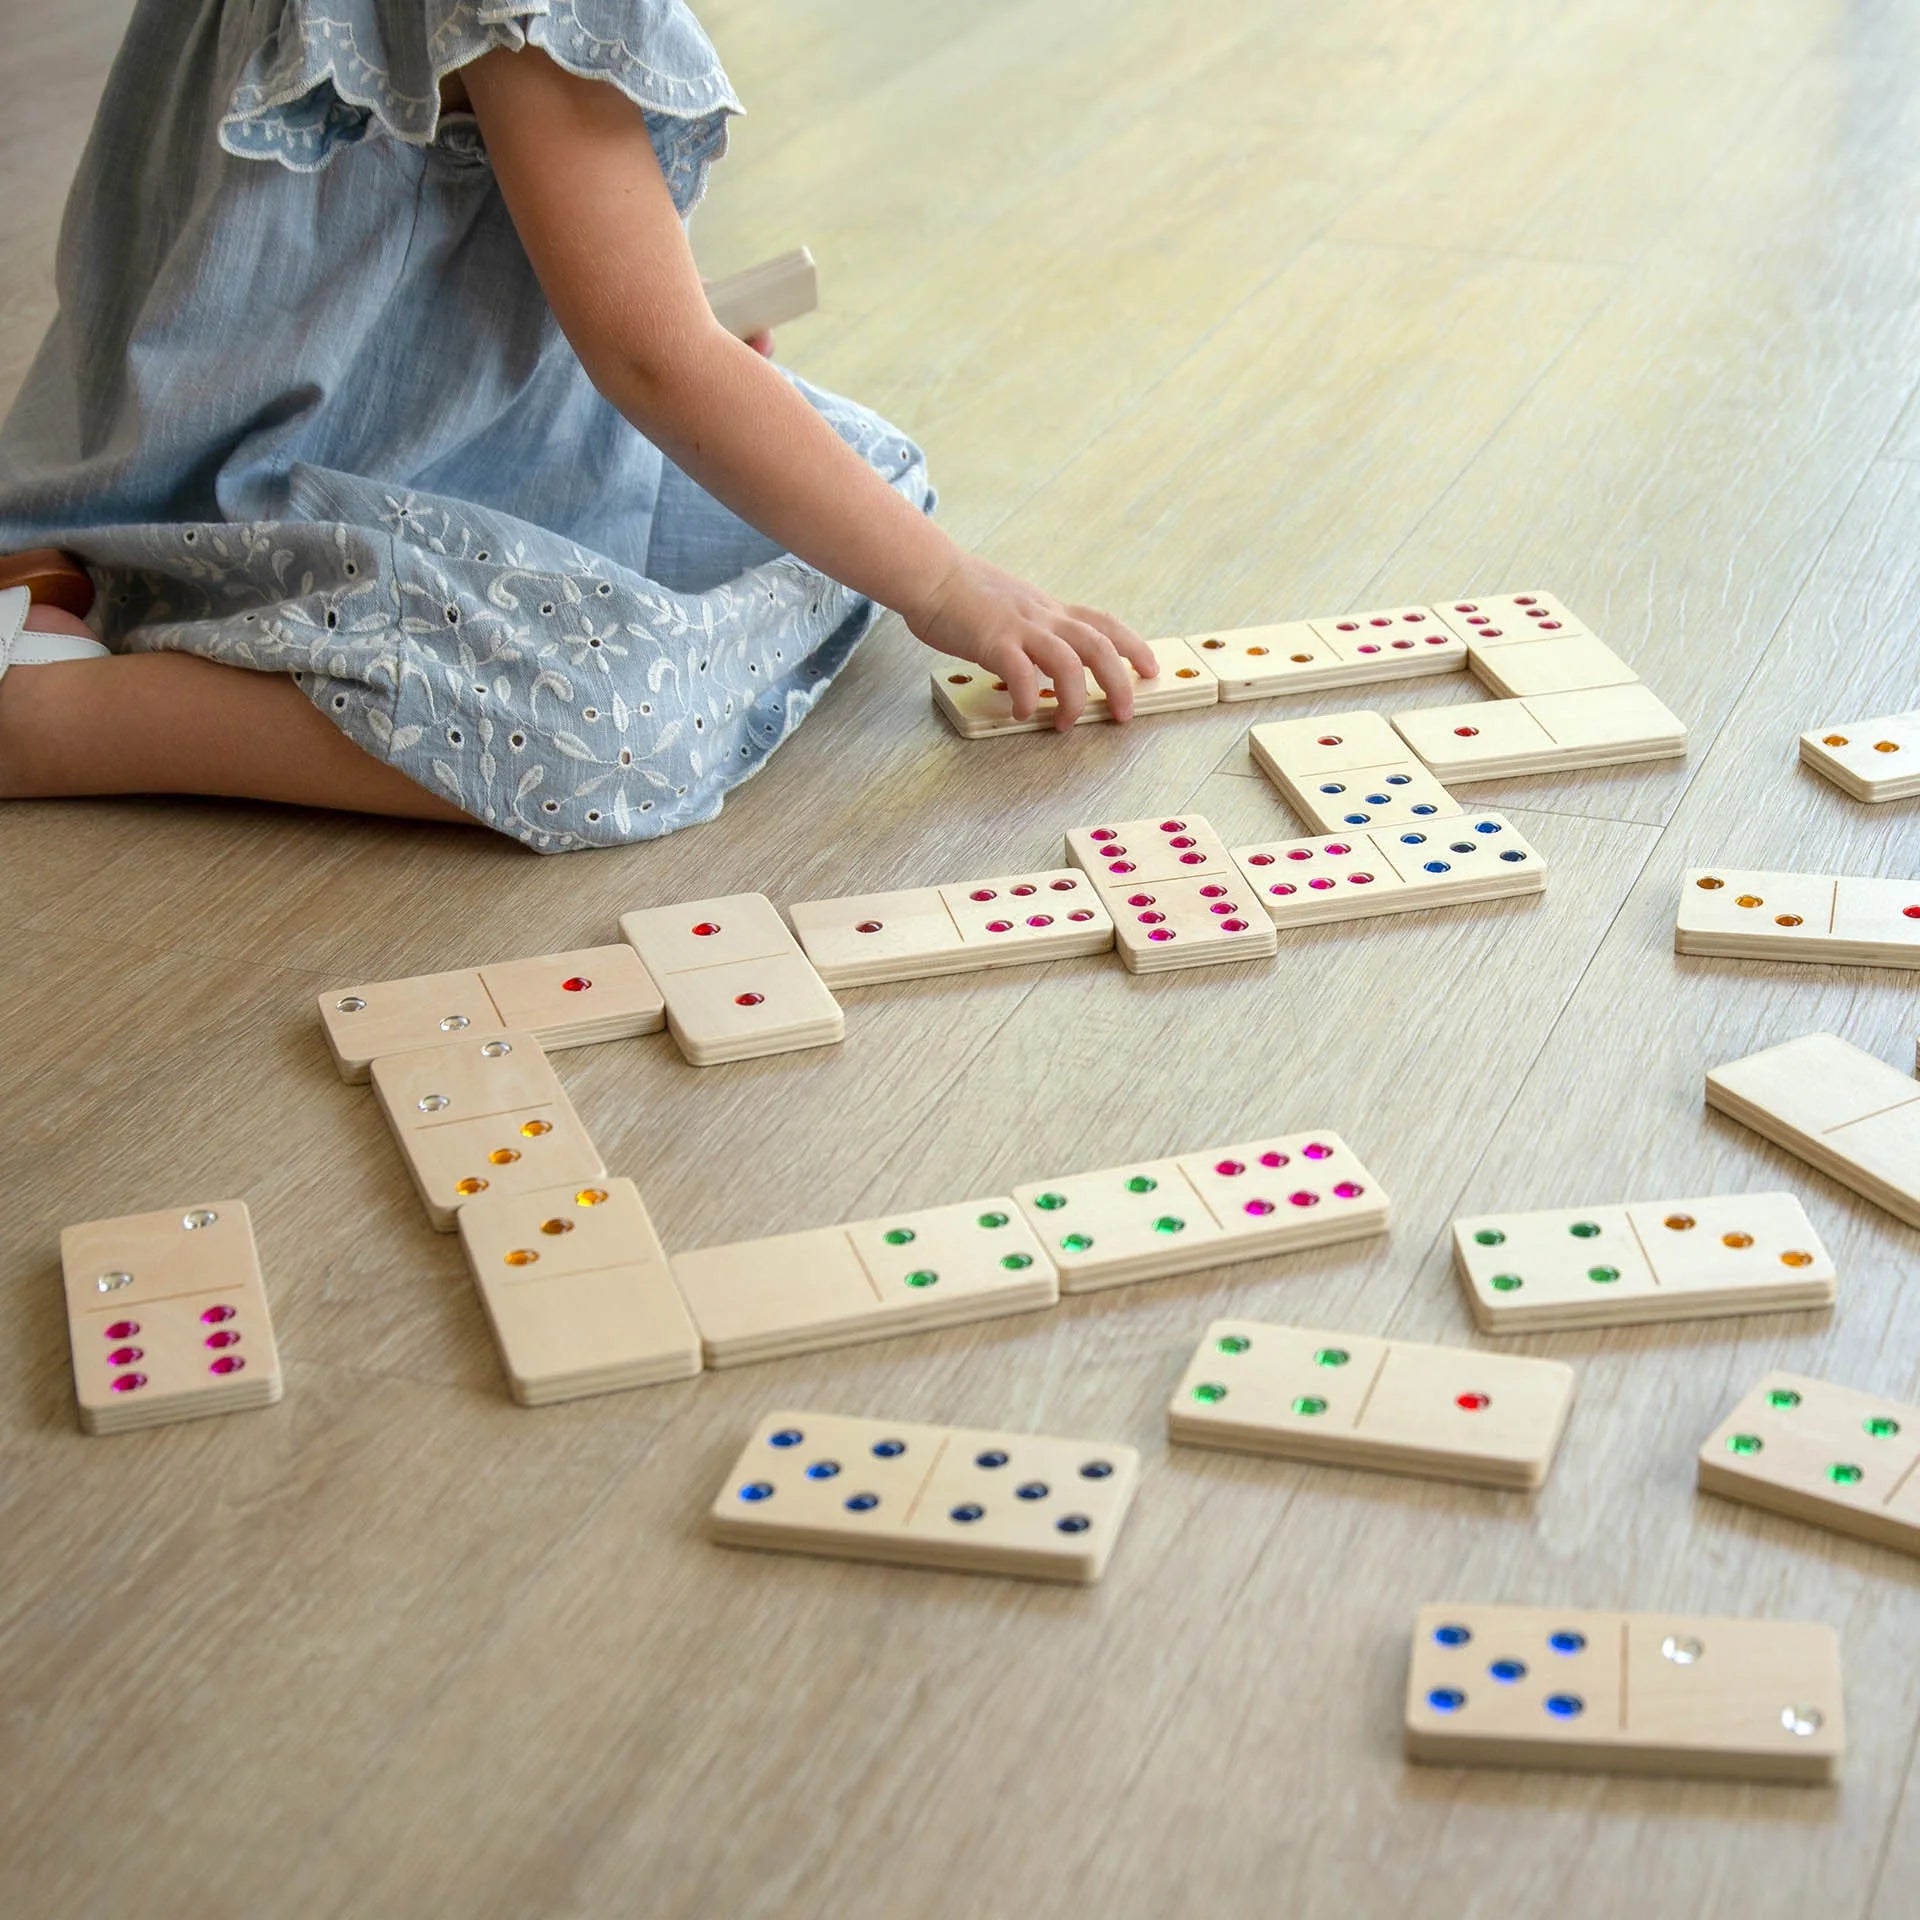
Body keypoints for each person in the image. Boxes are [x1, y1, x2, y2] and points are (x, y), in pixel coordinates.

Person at [0, 1, 1151, 850]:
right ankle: (52, 713)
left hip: (370, 412)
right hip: (263, 490)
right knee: (606, 737)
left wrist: (689, 349)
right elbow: (654, 361)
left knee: (874, 480)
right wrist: (953, 591)